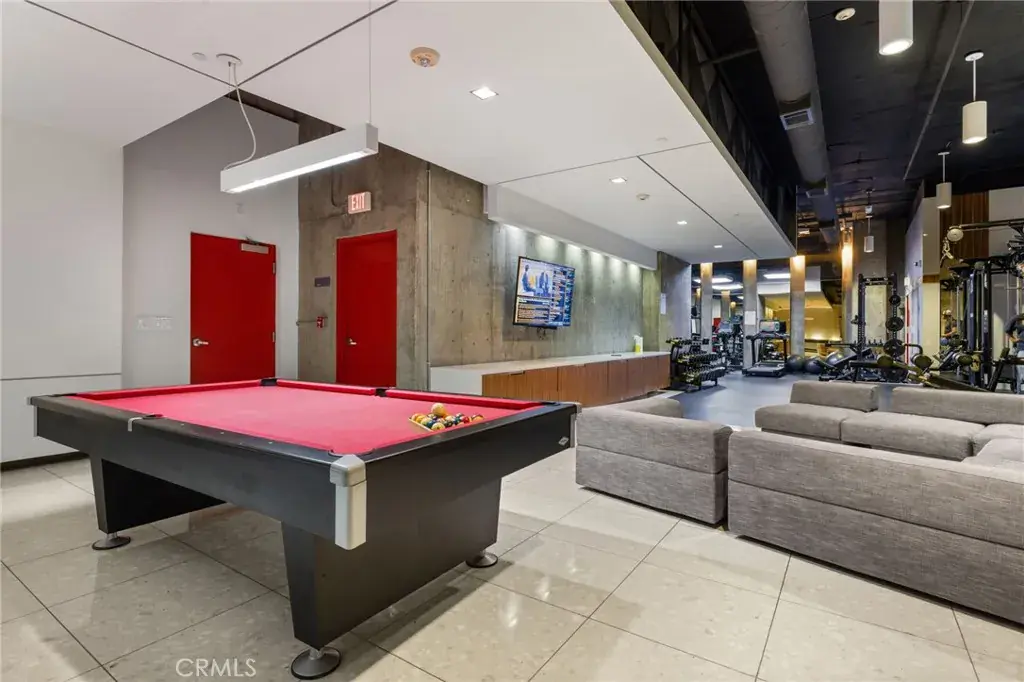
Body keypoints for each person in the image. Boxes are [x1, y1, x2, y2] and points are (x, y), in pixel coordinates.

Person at [1005, 312, 1024, 393]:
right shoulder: (1018, 318)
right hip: (1022, 349)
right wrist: (1013, 339)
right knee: (1021, 374)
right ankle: (1020, 394)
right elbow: (1007, 329)